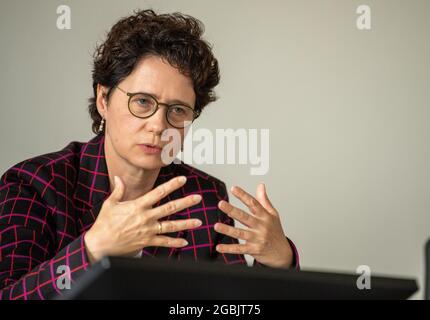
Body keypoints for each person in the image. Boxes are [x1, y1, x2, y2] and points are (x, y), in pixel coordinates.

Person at [0, 9, 299, 300]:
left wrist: (279, 262)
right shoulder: (34, 185)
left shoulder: (205, 197)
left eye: (178, 110)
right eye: (142, 101)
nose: (158, 125)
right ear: (104, 100)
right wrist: (92, 249)